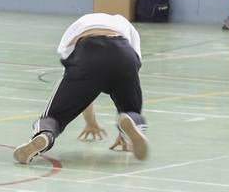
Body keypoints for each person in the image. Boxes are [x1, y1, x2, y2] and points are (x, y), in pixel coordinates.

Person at [12, 12, 149, 165]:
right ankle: (131, 124)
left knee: (54, 117)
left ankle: (45, 134)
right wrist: (124, 132)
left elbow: (82, 93)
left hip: (87, 51)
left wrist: (91, 122)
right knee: (131, 110)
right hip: (125, 54)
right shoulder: (124, 24)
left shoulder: (79, 25)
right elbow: (135, 64)